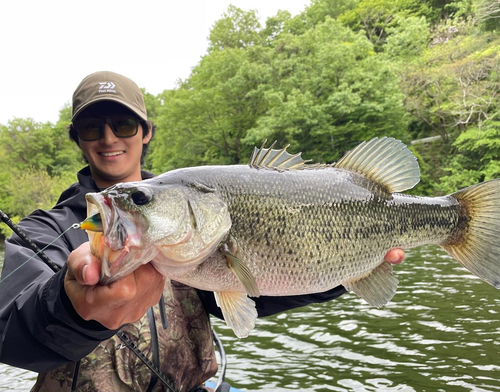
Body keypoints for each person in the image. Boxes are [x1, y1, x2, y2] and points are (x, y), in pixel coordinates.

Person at [0, 71, 405, 392]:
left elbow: (257, 290)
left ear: (145, 131)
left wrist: (346, 266)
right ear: (77, 139)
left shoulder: (192, 212)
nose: (109, 138)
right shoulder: (45, 229)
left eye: (123, 124)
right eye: (91, 128)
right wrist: (71, 311)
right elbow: (8, 331)